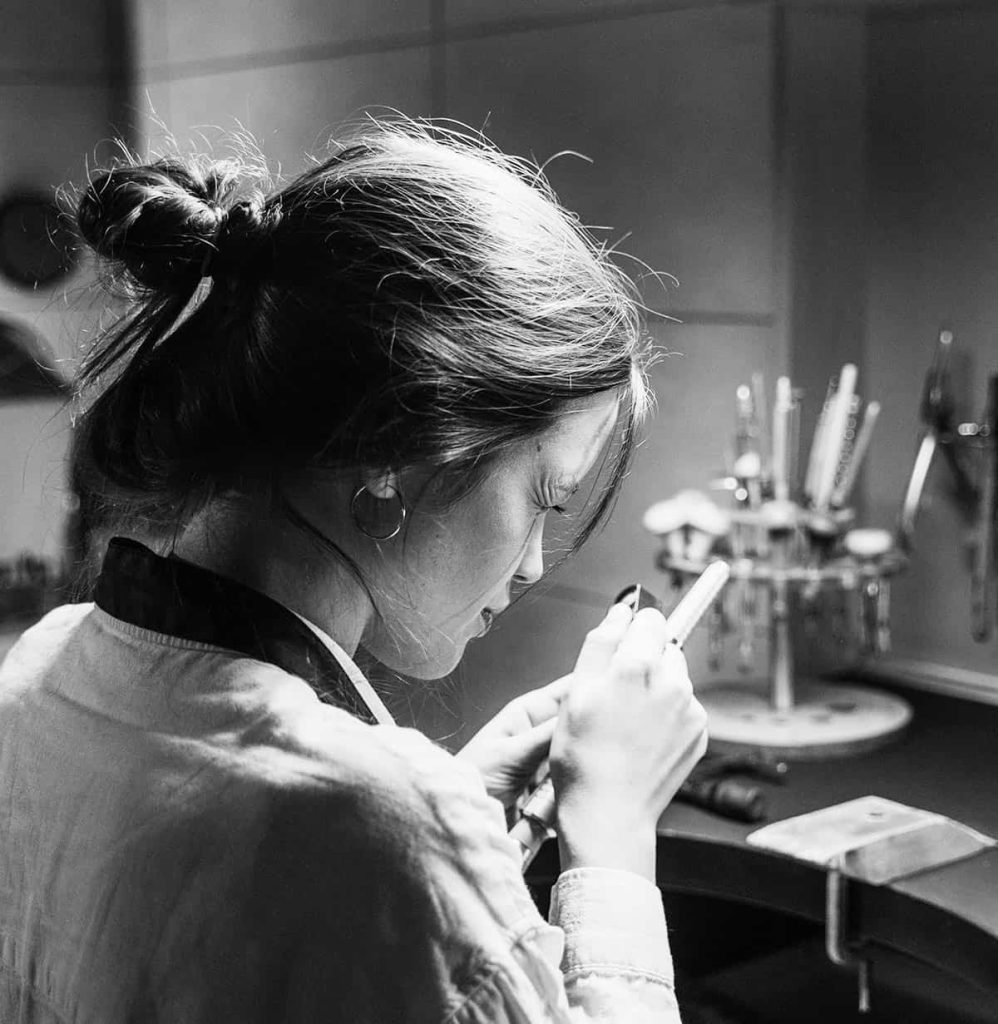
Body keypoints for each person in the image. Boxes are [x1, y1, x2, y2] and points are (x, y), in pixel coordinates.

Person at [0, 120, 708, 1023]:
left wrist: (456, 824)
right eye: (545, 497)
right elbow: (349, 856)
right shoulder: (383, 840)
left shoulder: (41, 673)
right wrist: (610, 843)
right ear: (392, 456)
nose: (533, 563)